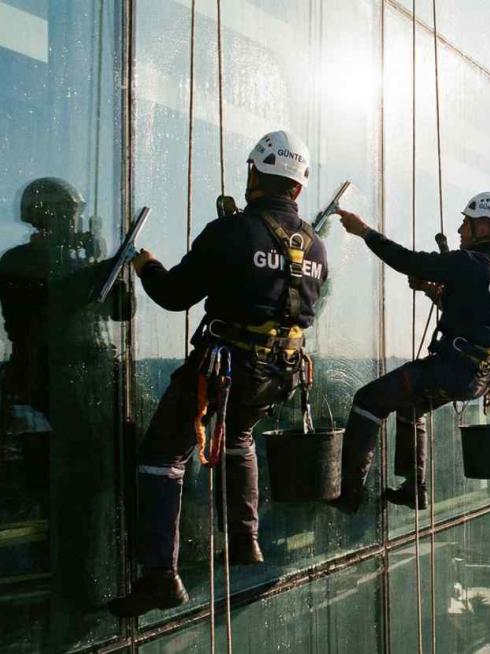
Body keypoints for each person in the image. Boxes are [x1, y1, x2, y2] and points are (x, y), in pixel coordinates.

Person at [108, 130, 328, 617]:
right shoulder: (315, 246)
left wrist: (145, 265)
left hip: (225, 367)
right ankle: (246, 539)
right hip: (279, 372)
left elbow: (172, 295)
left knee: (162, 456)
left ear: (254, 175)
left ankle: (161, 577)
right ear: (298, 187)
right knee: (240, 437)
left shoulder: (230, 232)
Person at [0, 177, 133, 634]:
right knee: (75, 497)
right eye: (66, 213)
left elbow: (121, 310)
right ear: (45, 215)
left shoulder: (71, 265)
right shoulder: (20, 263)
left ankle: (104, 582)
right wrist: (92, 265)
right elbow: (55, 300)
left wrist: (111, 268)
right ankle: (77, 597)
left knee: (108, 486)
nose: (72, 221)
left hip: (90, 385)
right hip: (54, 388)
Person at [330, 191, 490, 512]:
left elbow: (409, 260)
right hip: (478, 376)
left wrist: (364, 232)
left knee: (368, 401)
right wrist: (434, 292)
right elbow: (478, 318)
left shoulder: (469, 262)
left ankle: (349, 493)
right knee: (410, 408)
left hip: (453, 369)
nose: (460, 231)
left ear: (484, 228)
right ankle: (414, 489)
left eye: (466, 224)